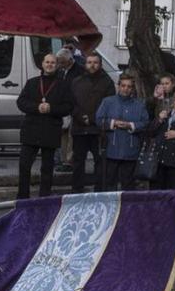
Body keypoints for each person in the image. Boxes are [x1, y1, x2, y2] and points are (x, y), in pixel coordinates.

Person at [17, 53, 74, 199]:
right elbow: (21, 102)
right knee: (24, 166)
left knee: (47, 168)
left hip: (51, 130)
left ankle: (44, 197)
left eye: (53, 63)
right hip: (31, 130)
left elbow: (68, 107)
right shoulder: (32, 82)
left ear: (57, 65)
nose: (50, 65)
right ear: (42, 64)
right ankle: (23, 197)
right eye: (47, 62)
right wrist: (37, 107)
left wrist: (51, 108)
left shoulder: (63, 85)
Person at [96, 73, 150, 191]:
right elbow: (99, 120)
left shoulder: (139, 105)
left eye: (129, 86)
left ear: (132, 88)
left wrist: (130, 125)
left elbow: (145, 123)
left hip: (130, 149)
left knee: (128, 184)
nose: (126, 89)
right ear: (119, 86)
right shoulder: (108, 102)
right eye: (123, 86)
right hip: (111, 148)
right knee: (109, 182)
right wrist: (113, 123)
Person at [69, 53, 114, 193]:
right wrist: (81, 117)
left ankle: (99, 191)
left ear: (100, 64)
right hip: (79, 128)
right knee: (78, 162)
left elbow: (110, 104)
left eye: (95, 62)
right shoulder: (76, 81)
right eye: (89, 62)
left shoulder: (107, 82)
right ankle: (76, 191)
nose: (92, 65)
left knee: (100, 162)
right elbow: (70, 103)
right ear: (85, 64)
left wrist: (94, 118)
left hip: (98, 130)